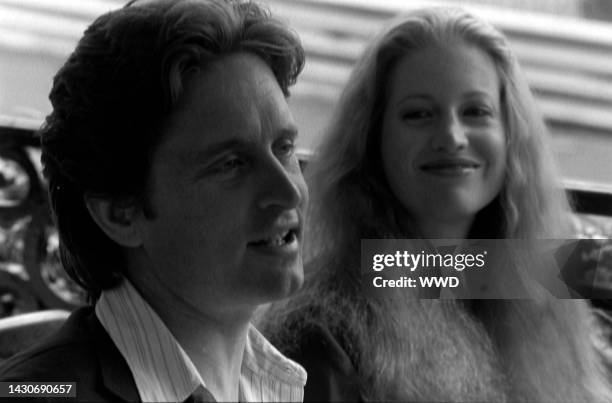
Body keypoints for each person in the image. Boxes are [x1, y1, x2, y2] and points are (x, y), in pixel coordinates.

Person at [262, 7, 612, 402]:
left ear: (512, 135)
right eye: (419, 114)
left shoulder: (515, 272)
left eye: (476, 111)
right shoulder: (324, 326)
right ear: (371, 139)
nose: (451, 135)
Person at [0, 0, 309, 401]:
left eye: (284, 147)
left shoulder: (287, 385)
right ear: (120, 213)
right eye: (231, 164)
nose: (288, 190)